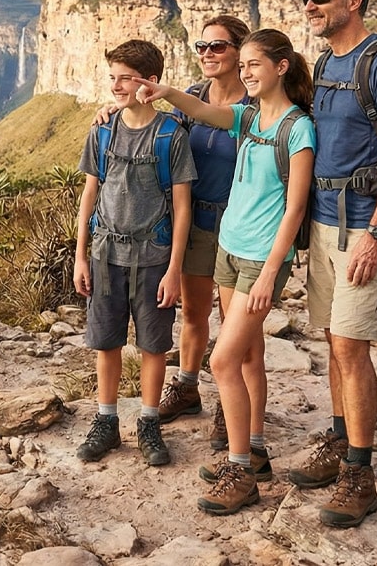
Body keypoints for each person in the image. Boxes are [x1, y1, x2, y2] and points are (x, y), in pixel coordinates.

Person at [133, 29, 315, 515]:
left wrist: (270, 272)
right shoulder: (249, 117)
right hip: (228, 249)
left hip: (259, 260)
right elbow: (205, 113)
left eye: (256, 64)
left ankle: (239, 471)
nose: (248, 72)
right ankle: (253, 450)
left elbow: (295, 209)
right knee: (249, 354)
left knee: (222, 362)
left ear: (281, 67)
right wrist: (161, 92)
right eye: (246, 65)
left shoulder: (297, 128)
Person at [287, 0, 377, 528]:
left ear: (354, 1)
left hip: (363, 224)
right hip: (320, 220)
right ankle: (341, 441)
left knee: (350, 346)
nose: (310, 7)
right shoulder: (326, 60)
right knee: (330, 339)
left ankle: (360, 474)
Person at [95, 15, 251, 446]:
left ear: (241, 52)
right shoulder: (192, 97)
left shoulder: (255, 103)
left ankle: (231, 408)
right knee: (196, 314)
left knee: (237, 324)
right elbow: (151, 117)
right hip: (197, 221)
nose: (207, 54)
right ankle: (186, 386)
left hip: (239, 222)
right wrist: (115, 106)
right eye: (202, 47)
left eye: (218, 47)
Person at [73, 39, 197, 466]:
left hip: (154, 256)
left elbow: (183, 208)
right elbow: (89, 196)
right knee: (105, 341)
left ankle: (147, 423)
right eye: (112, 77)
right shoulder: (102, 131)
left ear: (151, 81)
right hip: (106, 253)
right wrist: (79, 256)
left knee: (153, 344)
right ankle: (106, 422)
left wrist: (174, 269)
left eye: (126, 77)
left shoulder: (170, 136)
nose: (116, 85)